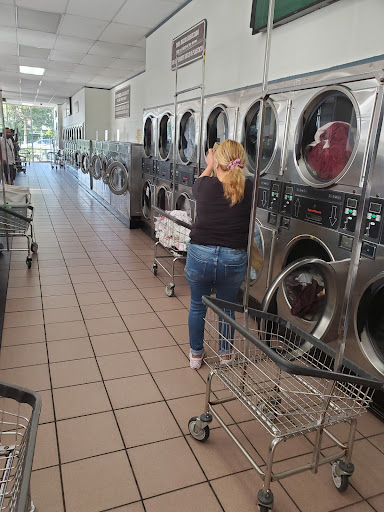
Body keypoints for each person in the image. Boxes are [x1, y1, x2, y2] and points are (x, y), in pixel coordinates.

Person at [185, 139, 253, 370]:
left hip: (200, 255)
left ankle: (196, 356)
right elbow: (237, 181)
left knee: (197, 305)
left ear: (217, 162)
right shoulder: (250, 187)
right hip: (233, 259)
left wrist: (210, 164)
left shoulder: (203, 186)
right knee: (227, 307)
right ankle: (225, 356)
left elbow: (200, 182)